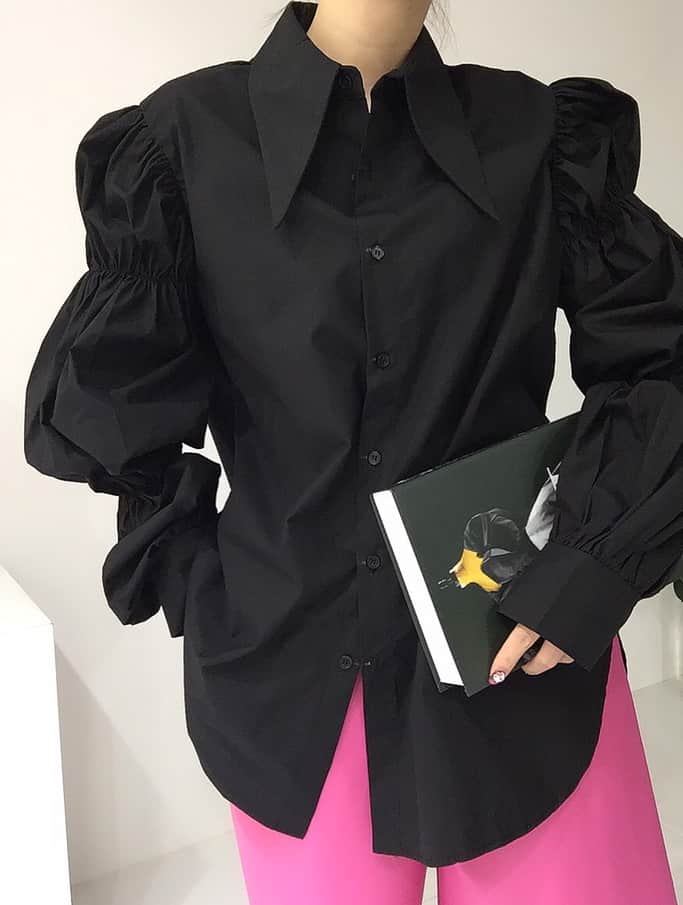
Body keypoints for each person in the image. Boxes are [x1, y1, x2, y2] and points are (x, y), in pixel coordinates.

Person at [23, 1, 682, 902]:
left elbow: (660, 362)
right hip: (294, 702)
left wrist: (592, 559)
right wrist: (206, 582)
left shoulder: (542, 138)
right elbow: (114, 420)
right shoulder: (178, 151)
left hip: (528, 662)